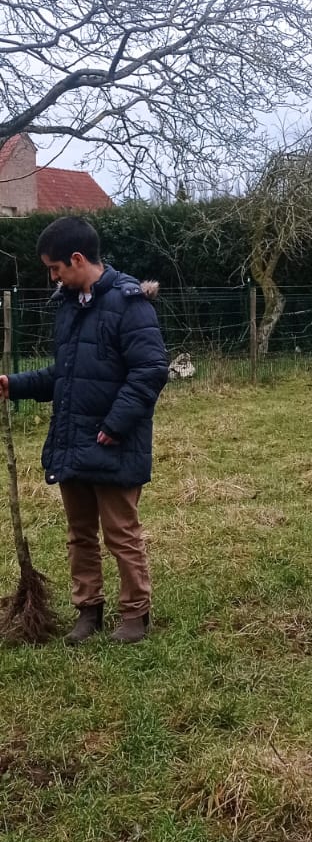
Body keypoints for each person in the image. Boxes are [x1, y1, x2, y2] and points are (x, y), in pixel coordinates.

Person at [0, 216, 169, 645]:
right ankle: (88, 610)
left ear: (77, 259)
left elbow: (150, 371)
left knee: (121, 534)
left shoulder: (130, 303)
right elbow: (65, 374)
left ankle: (134, 615)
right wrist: (14, 384)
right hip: (71, 440)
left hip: (115, 442)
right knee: (79, 535)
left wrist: (115, 425)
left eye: (55, 268)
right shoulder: (69, 306)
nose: (52, 277)